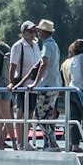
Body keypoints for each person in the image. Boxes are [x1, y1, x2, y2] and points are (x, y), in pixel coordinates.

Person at [33, 19, 63, 149]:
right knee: (49, 115)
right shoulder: (54, 45)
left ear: (42, 32)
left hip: (47, 85)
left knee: (39, 115)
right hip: (54, 84)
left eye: (38, 31)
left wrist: (35, 82)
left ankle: (52, 141)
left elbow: (44, 63)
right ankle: (49, 143)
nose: (37, 33)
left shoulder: (47, 45)